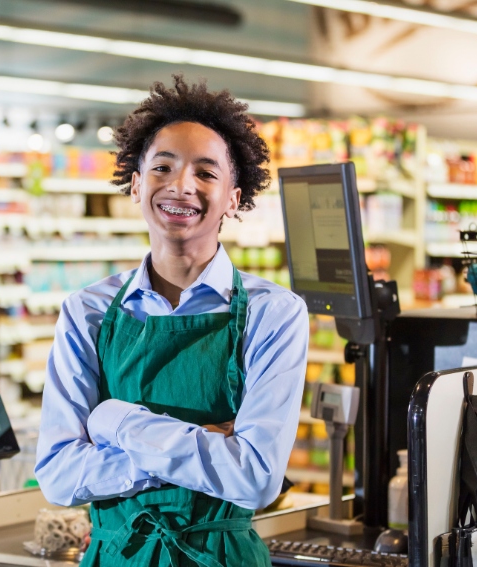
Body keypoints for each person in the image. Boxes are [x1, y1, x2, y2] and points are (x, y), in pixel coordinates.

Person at [35, 75, 309, 566]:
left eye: (206, 173)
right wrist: (206, 443)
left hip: (221, 556)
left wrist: (113, 420)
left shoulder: (274, 313)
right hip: (116, 556)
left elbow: (255, 479)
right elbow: (58, 476)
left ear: (233, 197)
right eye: (163, 167)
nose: (181, 185)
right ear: (137, 184)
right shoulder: (88, 311)